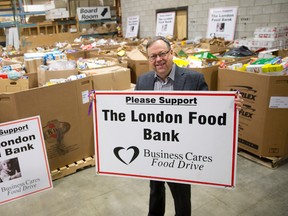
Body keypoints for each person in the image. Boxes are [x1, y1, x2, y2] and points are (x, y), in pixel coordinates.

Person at [135, 36, 243, 216]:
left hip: (182, 151)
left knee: (181, 194)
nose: (158, 60)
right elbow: (132, 111)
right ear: (148, 59)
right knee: (155, 189)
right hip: (153, 147)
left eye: (162, 54)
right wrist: (100, 104)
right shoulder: (143, 81)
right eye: (153, 56)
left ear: (172, 53)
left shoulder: (194, 79)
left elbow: (209, 111)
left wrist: (232, 105)